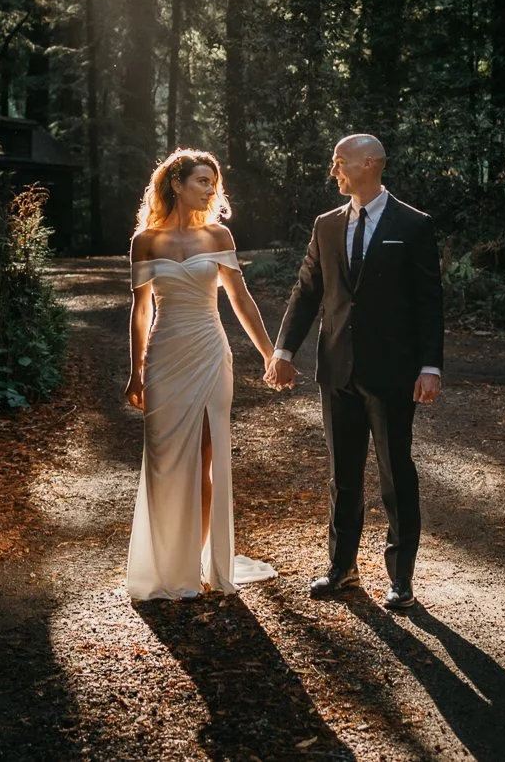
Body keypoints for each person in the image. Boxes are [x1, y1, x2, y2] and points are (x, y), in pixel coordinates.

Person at [266, 133, 444, 611]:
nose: (333, 169)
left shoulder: (414, 224)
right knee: (342, 474)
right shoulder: (326, 225)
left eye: (340, 161)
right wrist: (283, 350)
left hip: (394, 371)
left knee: (395, 473)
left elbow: (430, 301)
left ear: (370, 163)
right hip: (337, 369)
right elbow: (306, 293)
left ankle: (401, 578)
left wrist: (430, 366)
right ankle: (342, 568)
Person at [124, 148, 282, 600]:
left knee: (206, 458)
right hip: (165, 354)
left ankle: (196, 563)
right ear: (176, 184)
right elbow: (140, 311)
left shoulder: (219, 237)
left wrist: (271, 353)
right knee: (163, 457)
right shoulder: (146, 241)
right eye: (202, 181)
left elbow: (241, 299)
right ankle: (163, 560)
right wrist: (135, 371)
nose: (211, 190)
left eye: (214, 182)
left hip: (210, 351)